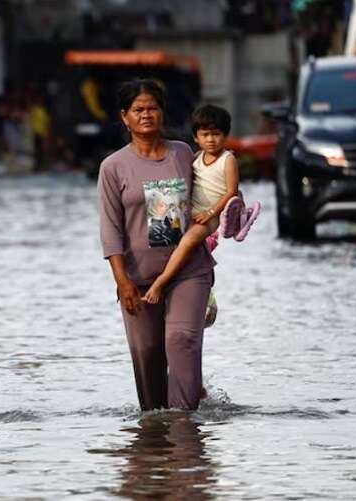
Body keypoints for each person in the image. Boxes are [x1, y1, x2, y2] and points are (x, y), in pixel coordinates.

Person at [98, 79, 215, 411]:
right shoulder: (113, 167)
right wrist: (122, 282)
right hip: (138, 277)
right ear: (125, 117)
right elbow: (110, 230)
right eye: (138, 109)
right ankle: (154, 437)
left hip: (188, 271)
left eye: (152, 108)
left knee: (181, 341)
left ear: (162, 113)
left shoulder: (183, 154)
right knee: (147, 356)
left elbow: (209, 197)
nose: (146, 115)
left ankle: (184, 423)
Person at [142, 105, 261, 304]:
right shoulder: (197, 158)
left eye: (216, 134)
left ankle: (160, 282)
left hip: (212, 216)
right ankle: (163, 275)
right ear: (196, 137)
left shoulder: (227, 160)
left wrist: (210, 212)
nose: (211, 139)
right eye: (205, 134)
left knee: (188, 241)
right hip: (192, 211)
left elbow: (231, 191)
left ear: (225, 135)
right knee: (163, 232)